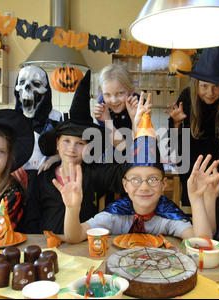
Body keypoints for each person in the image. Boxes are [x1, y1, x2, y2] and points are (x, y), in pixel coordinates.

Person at [55, 113, 219, 243]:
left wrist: (197, 199)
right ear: (125, 185)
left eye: (153, 179)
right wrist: (72, 208)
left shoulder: (168, 216)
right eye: (135, 180)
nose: (144, 187)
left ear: (163, 185)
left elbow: (202, 241)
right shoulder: (115, 215)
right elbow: (74, 236)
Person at [21, 71, 152, 234]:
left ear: (89, 146)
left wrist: (137, 123)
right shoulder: (43, 178)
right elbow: (30, 223)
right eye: (66, 141)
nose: (71, 149)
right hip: (47, 248)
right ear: (57, 144)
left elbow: (134, 171)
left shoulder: (95, 173)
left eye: (80, 143)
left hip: (83, 246)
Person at [165, 46, 219, 206]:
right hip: (188, 161)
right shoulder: (187, 97)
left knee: (211, 204)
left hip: (214, 161)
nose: (210, 92)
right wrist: (176, 122)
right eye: (204, 86)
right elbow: (174, 142)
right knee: (190, 204)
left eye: (216, 86)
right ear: (197, 84)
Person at [93, 63, 142, 151]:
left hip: (136, 156)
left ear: (131, 91)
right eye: (107, 94)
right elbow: (122, 147)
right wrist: (107, 121)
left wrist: (134, 118)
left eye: (120, 93)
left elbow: (135, 146)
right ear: (102, 92)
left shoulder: (139, 104)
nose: (114, 100)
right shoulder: (102, 109)